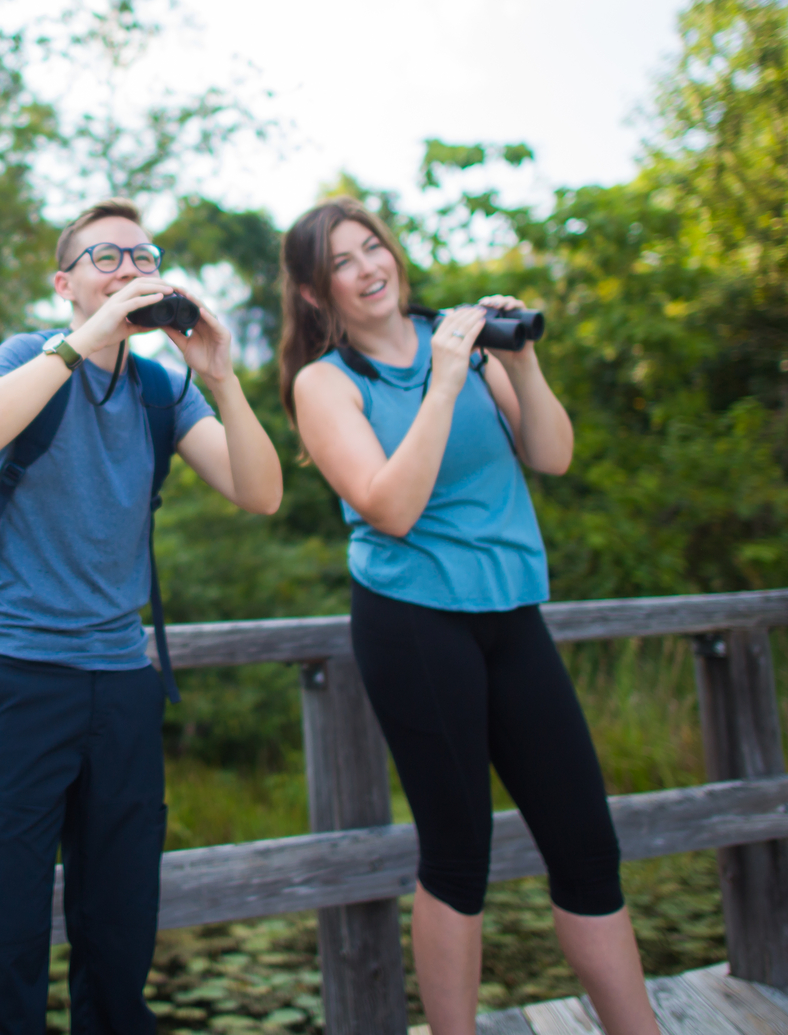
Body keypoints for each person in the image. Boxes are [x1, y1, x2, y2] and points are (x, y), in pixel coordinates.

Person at [279, 197, 659, 1035]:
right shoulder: (325, 384)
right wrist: (443, 382)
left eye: (372, 247)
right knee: (458, 855)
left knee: (588, 847)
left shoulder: (468, 348)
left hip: (510, 614)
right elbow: (391, 507)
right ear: (314, 292)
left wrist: (515, 362)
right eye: (341, 261)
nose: (367, 268)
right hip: (413, 621)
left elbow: (552, 454)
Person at [0, 197, 284, 1035]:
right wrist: (81, 343)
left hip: (123, 683)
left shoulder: (164, 389)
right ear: (66, 283)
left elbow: (261, 491)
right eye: (106, 258)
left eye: (142, 256)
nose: (130, 269)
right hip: (14, 678)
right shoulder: (30, 355)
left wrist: (223, 375)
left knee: (120, 934)